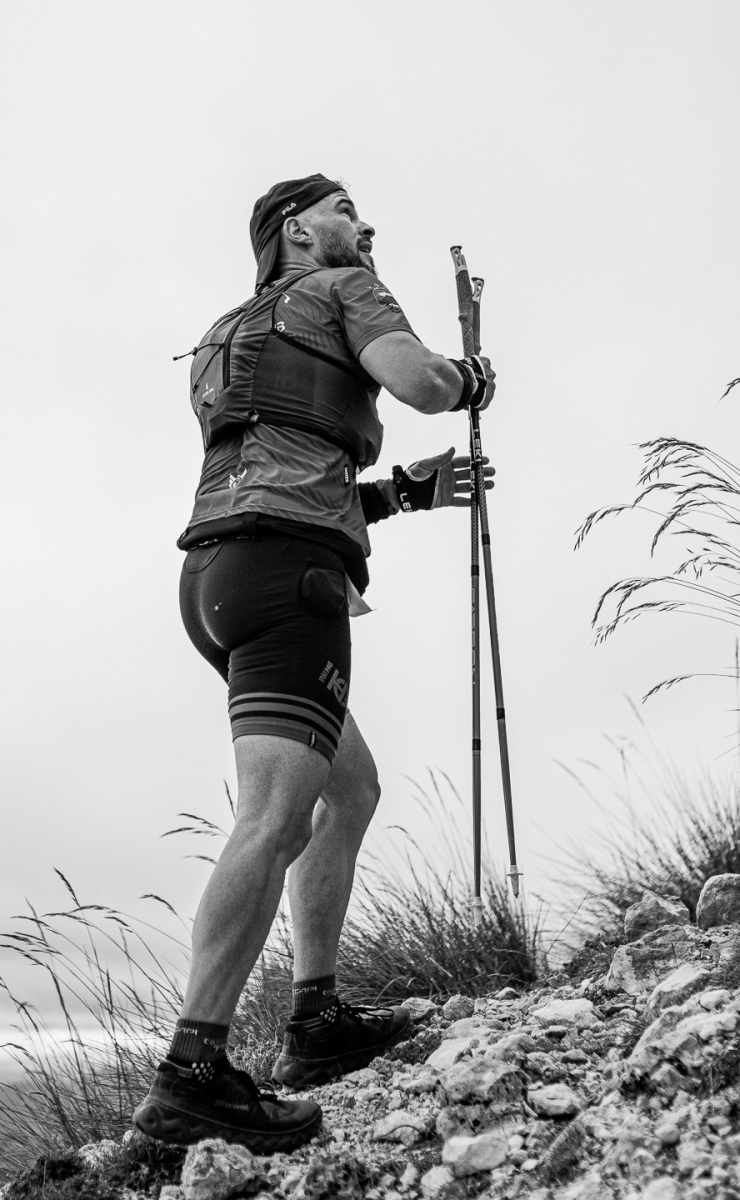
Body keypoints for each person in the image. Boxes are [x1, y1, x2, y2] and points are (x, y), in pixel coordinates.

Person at [133, 175, 497, 1151]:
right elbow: (421, 384)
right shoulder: (345, 288)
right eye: (345, 211)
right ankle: (191, 1074)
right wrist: (471, 379)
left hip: (218, 578)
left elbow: (285, 467)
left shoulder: (222, 336)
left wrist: (406, 493)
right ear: (297, 229)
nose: (365, 226)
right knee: (276, 817)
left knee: (352, 787)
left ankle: (315, 1019)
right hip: (291, 577)